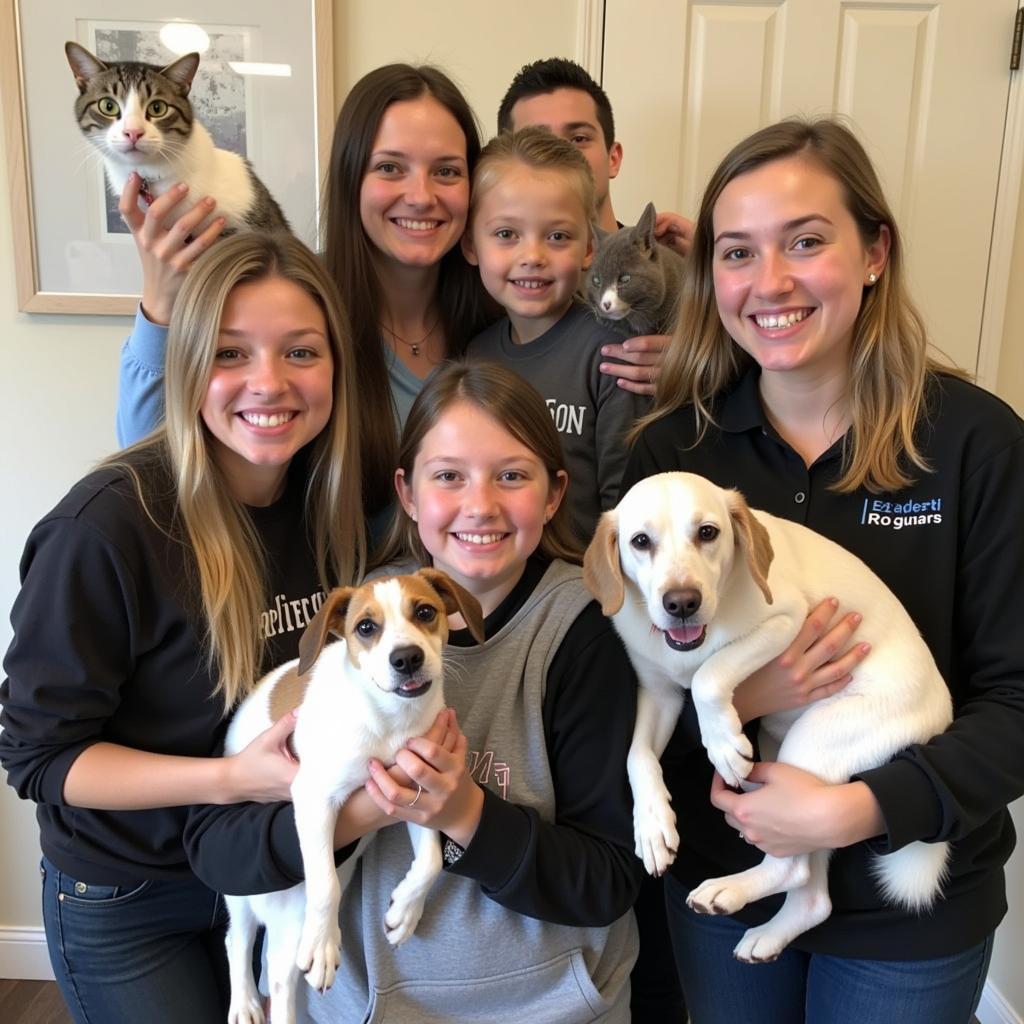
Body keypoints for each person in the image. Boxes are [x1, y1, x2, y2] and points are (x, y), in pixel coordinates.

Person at [621, 117, 1024, 1023]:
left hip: (912, 913)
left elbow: (1018, 703)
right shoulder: (669, 458)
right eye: (736, 252)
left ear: (875, 251)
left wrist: (858, 811)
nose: (770, 282)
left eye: (805, 241)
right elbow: (625, 691)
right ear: (709, 276)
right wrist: (749, 697)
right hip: (725, 887)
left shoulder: (977, 445)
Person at [183, 360, 643, 1022]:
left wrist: (464, 813)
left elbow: (610, 880)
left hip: (542, 1006)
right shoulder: (365, 617)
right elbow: (219, 847)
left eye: (511, 475)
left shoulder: (584, 633)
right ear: (407, 492)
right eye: (448, 476)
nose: (479, 505)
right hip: (359, 1004)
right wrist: (356, 811)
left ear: (553, 493)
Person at [0, 233, 372, 1023]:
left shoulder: (329, 506)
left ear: (337, 366)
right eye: (230, 354)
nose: (268, 383)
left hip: (272, 870)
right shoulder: (104, 530)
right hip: (132, 893)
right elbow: (40, 758)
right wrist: (232, 780)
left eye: (300, 351)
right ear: (187, 366)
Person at [115, 63, 661, 497]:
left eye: (446, 171)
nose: (421, 195)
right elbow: (154, 462)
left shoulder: (513, 313)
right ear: (353, 176)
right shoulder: (300, 308)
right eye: (390, 167)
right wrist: (162, 304)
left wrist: (676, 323)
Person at [463, 127, 643, 540]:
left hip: (585, 587)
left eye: (557, 236)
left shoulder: (612, 354)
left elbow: (626, 505)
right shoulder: (476, 354)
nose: (533, 257)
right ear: (471, 245)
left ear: (589, 250)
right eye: (507, 234)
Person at [498, 57, 693, 400]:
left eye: (578, 138)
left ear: (613, 157)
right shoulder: (496, 283)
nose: (560, 155)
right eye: (536, 142)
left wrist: (707, 355)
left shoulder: (679, 265)